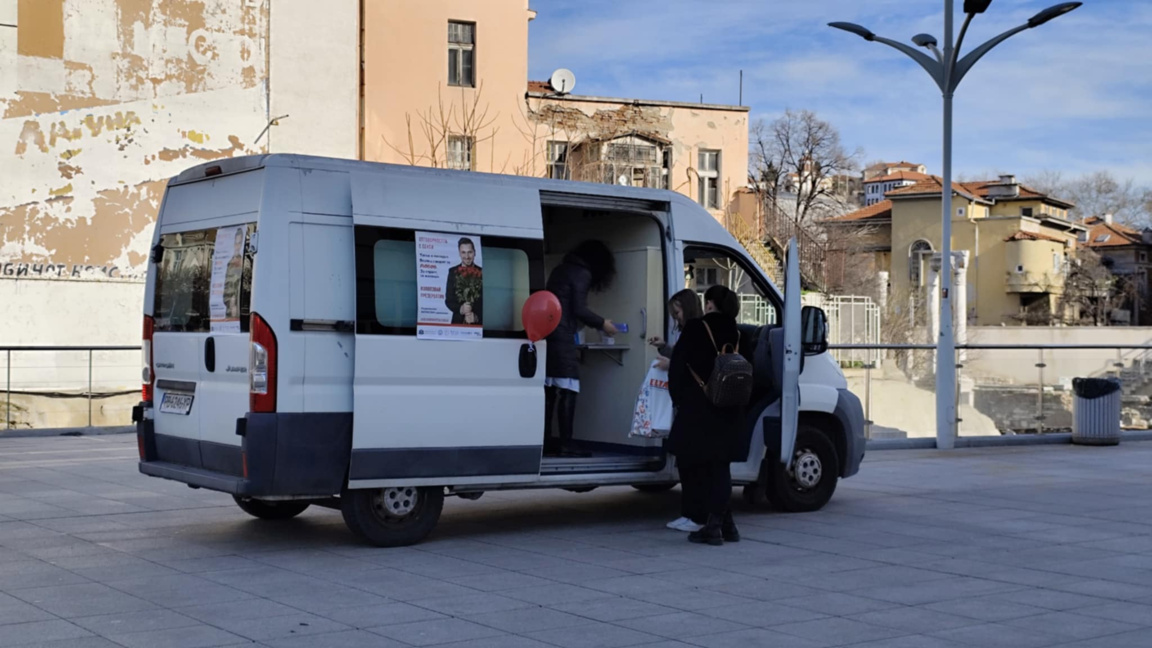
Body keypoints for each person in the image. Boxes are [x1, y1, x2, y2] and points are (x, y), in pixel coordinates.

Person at [667, 284, 744, 545]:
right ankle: (727, 524)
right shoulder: (738, 333)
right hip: (730, 408)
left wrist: (680, 400)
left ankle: (713, 527)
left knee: (704, 469)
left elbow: (678, 369)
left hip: (700, 409)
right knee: (720, 467)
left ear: (710, 304)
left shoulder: (696, 328)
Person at [544, 240, 618, 456]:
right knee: (569, 388)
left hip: (548, 334)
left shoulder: (560, 270)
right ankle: (566, 443)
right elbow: (579, 309)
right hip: (562, 337)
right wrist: (603, 323)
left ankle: (546, 441)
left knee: (550, 390)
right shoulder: (582, 273)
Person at [648, 289, 703, 372]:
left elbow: (696, 363)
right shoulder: (688, 332)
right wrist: (663, 346)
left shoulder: (699, 333)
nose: (676, 318)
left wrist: (671, 365)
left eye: (677, 313)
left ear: (688, 309)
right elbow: (679, 355)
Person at [445, 238, 483, 325]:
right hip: (457, 323)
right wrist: (461, 309)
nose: (467, 256)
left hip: (478, 324)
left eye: (470, 252)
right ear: (459, 253)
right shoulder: (452, 272)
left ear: (475, 252)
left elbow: (487, 302)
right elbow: (449, 300)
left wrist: (477, 317)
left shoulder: (482, 272)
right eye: (463, 252)